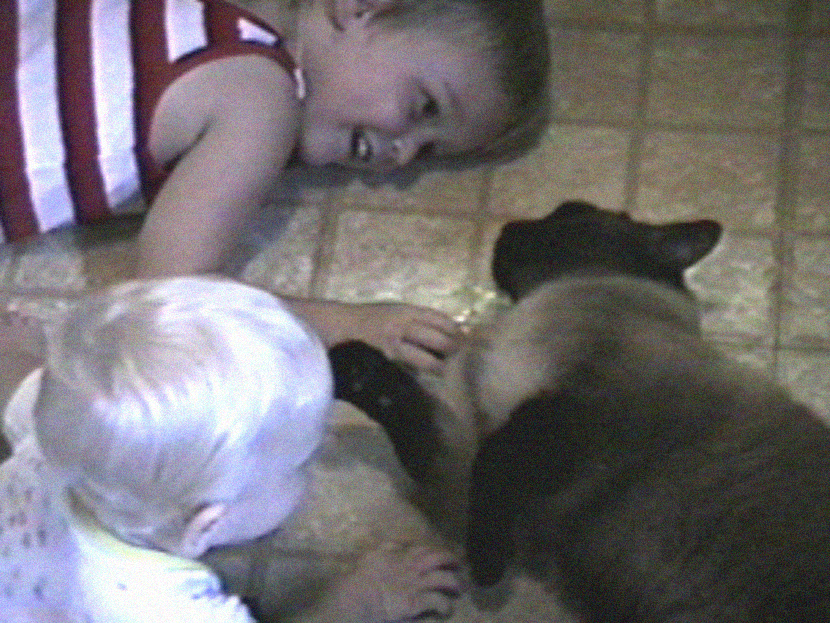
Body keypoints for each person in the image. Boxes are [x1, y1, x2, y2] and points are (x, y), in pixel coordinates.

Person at [0, 0, 550, 373]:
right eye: (424, 106)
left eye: (427, 151)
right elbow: (173, 291)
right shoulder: (263, 101)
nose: (402, 153)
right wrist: (350, 324)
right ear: (361, 6)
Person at [0, 276, 461, 622]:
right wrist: (362, 602)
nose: (326, 447)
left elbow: (20, 391)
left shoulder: (54, 430)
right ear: (206, 523)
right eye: (298, 464)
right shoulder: (171, 610)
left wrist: (17, 357)